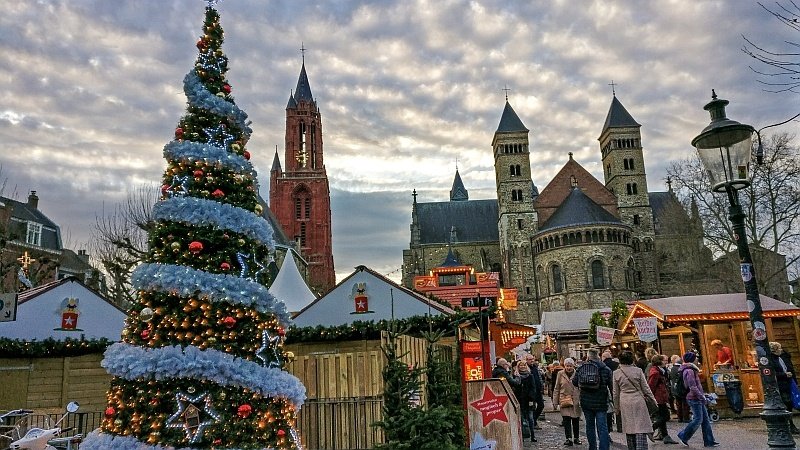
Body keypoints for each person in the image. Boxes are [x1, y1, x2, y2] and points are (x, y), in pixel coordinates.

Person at [614, 351, 658, 450]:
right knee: (640, 427)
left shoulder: (616, 373)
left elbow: (615, 393)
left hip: (625, 401)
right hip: (638, 400)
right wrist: (653, 400)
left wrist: (616, 408)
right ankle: (641, 447)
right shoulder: (638, 371)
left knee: (629, 428)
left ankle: (632, 447)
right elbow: (646, 388)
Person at [676, 352, 719, 447]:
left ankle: (709, 440)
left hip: (696, 397)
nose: (697, 360)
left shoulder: (691, 370)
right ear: (692, 359)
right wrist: (701, 396)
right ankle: (684, 435)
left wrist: (702, 395)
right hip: (693, 398)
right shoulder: (689, 371)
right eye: (695, 358)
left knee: (705, 420)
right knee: (698, 419)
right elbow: (692, 386)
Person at [573, 347, 612, 450]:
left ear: (588, 356)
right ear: (598, 355)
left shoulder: (581, 368)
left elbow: (574, 382)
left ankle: (592, 447)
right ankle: (604, 448)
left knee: (590, 426)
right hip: (601, 402)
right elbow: (611, 385)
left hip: (586, 401)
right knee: (602, 427)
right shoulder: (605, 369)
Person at [768, 341, 800, 434]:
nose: (781, 350)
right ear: (774, 350)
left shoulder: (780, 358)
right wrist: (785, 375)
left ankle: (789, 424)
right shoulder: (772, 360)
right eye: (779, 348)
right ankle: (788, 425)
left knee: (788, 404)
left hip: (787, 384)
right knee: (786, 404)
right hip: (780, 385)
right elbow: (773, 374)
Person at [647, 355, 678, 444]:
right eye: (663, 360)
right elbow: (651, 386)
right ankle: (652, 428)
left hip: (661, 396)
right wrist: (652, 398)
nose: (665, 362)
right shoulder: (656, 372)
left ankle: (665, 436)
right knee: (666, 416)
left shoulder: (660, 371)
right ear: (659, 362)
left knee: (662, 416)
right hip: (658, 398)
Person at [554, 357, 582, 446]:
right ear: (564, 366)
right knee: (566, 420)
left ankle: (576, 438)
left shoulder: (577, 373)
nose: (568, 367)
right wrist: (555, 401)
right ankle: (568, 438)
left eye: (570, 366)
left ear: (573, 366)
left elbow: (581, 386)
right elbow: (557, 388)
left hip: (575, 399)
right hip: (564, 399)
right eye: (567, 366)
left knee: (575, 419)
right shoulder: (560, 374)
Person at [513, 361, 538, 442]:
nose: (522, 366)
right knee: (521, 418)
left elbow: (533, 388)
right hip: (519, 400)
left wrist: (531, 398)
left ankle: (533, 435)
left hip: (529, 400)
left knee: (530, 418)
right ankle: (522, 436)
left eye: (524, 365)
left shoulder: (530, 376)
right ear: (518, 367)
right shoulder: (516, 376)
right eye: (521, 365)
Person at [525, 355, 546, 429]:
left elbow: (539, 377)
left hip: (538, 390)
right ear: (526, 360)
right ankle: (533, 422)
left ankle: (534, 419)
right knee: (532, 407)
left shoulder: (535, 367)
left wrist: (541, 387)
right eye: (530, 359)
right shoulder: (526, 368)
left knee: (541, 405)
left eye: (532, 359)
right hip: (530, 392)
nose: (531, 361)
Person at [669, 355, 689, 422]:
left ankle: (680, 417)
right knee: (684, 403)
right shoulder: (681, 369)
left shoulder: (672, 368)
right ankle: (686, 418)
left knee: (678, 404)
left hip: (675, 388)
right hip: (682, 388)